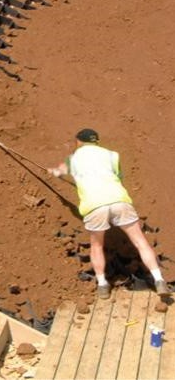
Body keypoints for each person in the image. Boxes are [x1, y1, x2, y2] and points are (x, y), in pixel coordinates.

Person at [49, 128, 170, 300]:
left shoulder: (73, 159)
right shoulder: (113, 155)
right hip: (119, 200)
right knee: (140, 241)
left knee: (97, 246)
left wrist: (52, 172)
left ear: (79, 142)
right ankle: (159, 279)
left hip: (94, 206)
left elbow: (58, 172)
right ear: (96, 142)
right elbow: (118, 178)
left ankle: (102, 285)